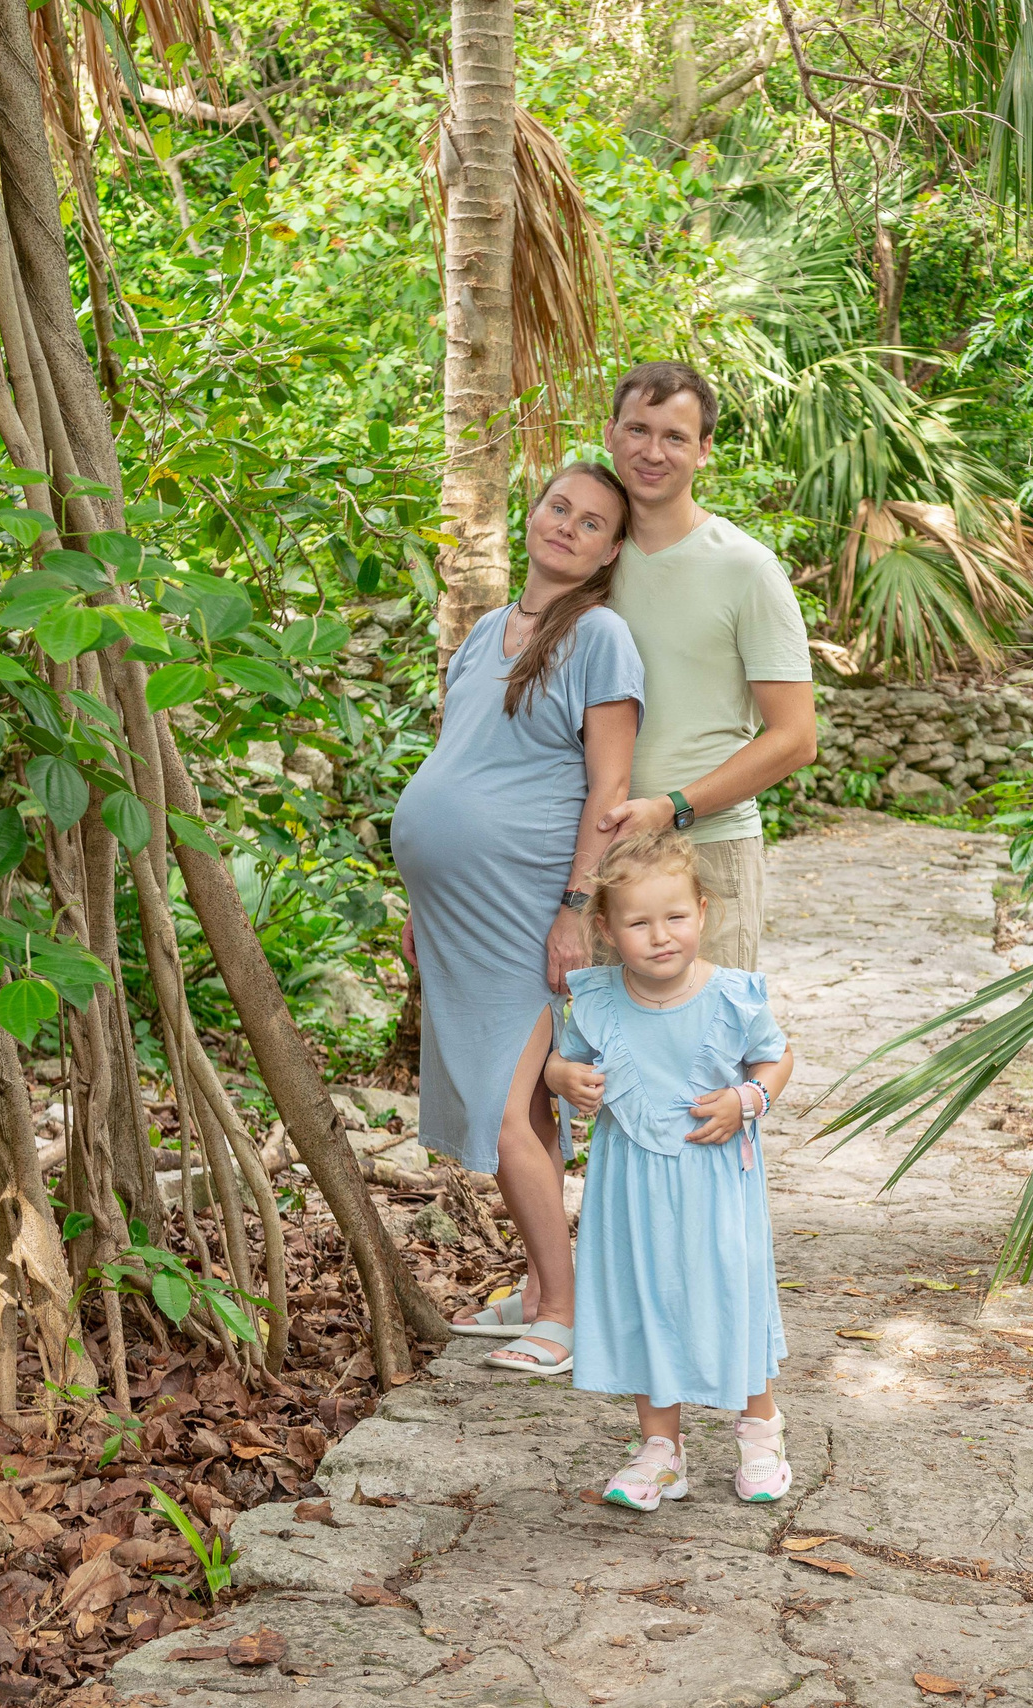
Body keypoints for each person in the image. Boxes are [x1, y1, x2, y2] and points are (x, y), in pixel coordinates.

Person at [391, 463, 642, 1376]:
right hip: (455, 909)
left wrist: (576, 908)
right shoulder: (484, 633)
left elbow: (610, 787)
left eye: (592, 522)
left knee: (503, 1113)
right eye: (558, 507)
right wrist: (421, 900)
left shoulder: (600, 636)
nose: (567, 526)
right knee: (526, 1107)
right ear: (533, 514)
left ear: (610, 552)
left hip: (524, 901)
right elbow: (457, 759)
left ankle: (565, 1317)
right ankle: (540, 1287)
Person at [544, 832, 799, 1508]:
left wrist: (749, 1098)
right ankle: (661, 1449)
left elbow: (776, 1057)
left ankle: (760, 1430)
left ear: (703, 913)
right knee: (645, 1297)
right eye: (639, 923)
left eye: (676, 917)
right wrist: (563, 1076)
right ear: (606, 929)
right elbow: (562, 1060)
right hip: (631, 1187)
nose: (661, 937)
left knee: (730, 1292)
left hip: (714, 1183)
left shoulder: (732, 996)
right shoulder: (596, 999)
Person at [595, 362, 816, 970]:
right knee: (595, 1035)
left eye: (675, 437)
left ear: (704, 450)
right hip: (596, 856)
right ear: (610, 433)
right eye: (638, 430)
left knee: (710, 1032)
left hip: (707, 854)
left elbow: (796, 738)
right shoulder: (587, 559)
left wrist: (672, 807)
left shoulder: (747, 569)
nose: (653, 452)